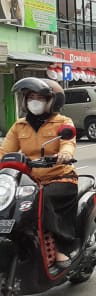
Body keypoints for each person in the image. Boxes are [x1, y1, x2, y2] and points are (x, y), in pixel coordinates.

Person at [1, 78, 76, 271]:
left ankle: (61, 247)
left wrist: (65, 154)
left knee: (41, 200)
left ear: (52, 101)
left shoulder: (63, 122)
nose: (34, 101)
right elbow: (4, 151)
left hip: (60, 177)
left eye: (40, 98)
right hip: (30, 181)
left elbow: (68, 143)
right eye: (31, 97)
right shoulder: (19, 126)